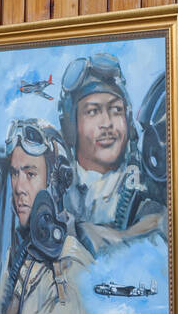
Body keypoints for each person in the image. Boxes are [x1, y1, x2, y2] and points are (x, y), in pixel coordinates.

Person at [58, 54, 166, 255]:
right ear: (70, 126)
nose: (107, 123)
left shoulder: (150, 190)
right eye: (92, 111)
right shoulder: (55, 187)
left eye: (116, 110)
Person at [0, 119, 94, 314]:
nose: (18, 188)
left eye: (30, 174)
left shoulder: (72, 268)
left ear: (56, 184)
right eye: (14, 173)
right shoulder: (19, 253)